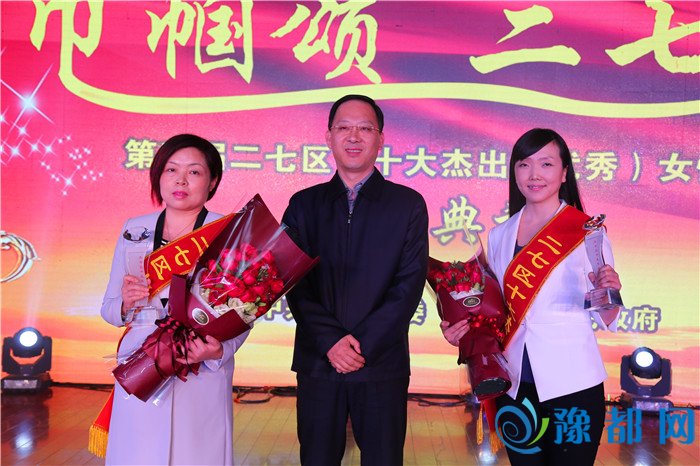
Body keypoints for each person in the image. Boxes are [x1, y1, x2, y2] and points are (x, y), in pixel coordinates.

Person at [441, 128, 622, 465]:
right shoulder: (499, 236)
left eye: (546, 164)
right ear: (514, 172)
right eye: (524, 164)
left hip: (573, 382)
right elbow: (490, 310)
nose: (534, 174)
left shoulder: (586, 231)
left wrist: (609, 290)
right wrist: (460, 328)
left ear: (564, 172)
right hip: (514, 384)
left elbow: (607, 316)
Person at [282, 95, 429, 466]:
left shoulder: (408, 204)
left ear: (380, 139)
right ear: (328, 137)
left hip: (381, 363)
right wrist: (331, 342)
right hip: (319, 361)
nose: (354, 136)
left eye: (365, 128)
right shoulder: (303, 204)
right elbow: (294, 283)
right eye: (344, 127)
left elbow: (408, 285)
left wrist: (361, 347)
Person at [100, 134, 249, 465]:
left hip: (199, 365)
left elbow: (245, 309)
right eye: (171, 170)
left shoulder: (227, 231)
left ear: (212, 181)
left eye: (194, 172)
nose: (181, 180)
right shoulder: (134, 230)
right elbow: (109, 309)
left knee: (197, 454)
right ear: (158, 176)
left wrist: (219, 350)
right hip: (142, 364)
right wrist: (125, 304)